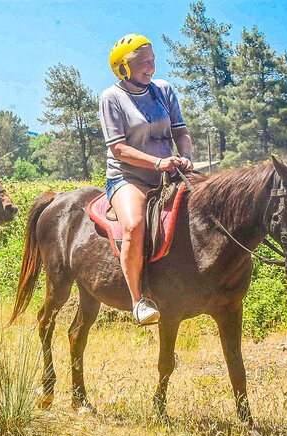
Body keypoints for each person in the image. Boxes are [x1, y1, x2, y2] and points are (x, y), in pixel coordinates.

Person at [99, 34, 194, 325]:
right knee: (135, 225)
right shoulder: (111, 98)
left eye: (152, 61)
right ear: (123, 69)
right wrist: (157, 162)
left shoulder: (163, 90)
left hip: (168, 174)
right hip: (128, 177)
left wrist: (186, 156)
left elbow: (181, 131)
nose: (151, 67)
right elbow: (119, 148)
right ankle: (138, 300)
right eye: (143, 63)